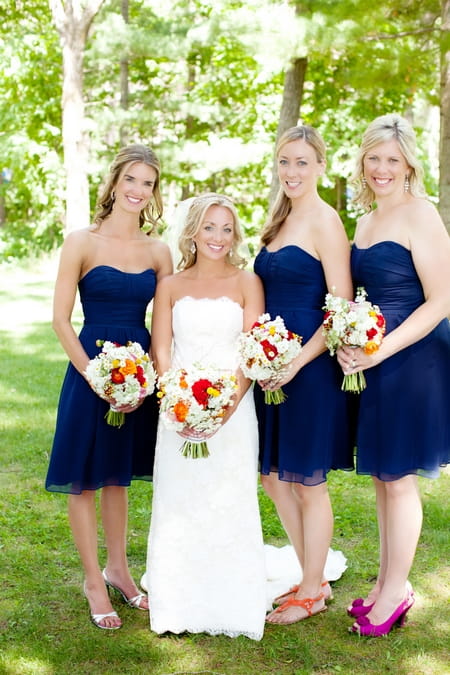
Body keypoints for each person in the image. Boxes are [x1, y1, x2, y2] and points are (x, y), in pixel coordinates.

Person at [45, 144, 173, 630]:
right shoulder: (81, 241)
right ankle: (93, 580)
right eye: (132, 180)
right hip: (89, 370)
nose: (139, 191)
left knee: (118, 474)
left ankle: (118, 568)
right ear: (115, 182)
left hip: (138, 376)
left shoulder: (158, 251)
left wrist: (150, 380)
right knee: (82, 476)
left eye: (148, 183)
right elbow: (60, 320)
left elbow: (166, 320)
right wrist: (95, 374)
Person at [337, 113, 450, 637]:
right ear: (363, 161)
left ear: (408, 165)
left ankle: (395, 595)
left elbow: (442, 300)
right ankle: (388, 586)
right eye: (374, 158)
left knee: (401, 480)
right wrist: (352, 340)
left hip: (413, 357)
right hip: (374, 357)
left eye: (392, 160)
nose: (381, 168)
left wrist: (380, 350)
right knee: (383, 476)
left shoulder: (420, 213)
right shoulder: (364, 220)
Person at [145, 192, 267, 640]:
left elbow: (251, 350)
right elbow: (162, 350)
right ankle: (179, 598)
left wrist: (224, 406)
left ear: (235, 236)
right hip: (177, 410)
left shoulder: (247, 282)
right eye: (209, 227)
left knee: (228, 496)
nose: (218, 237)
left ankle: (231, 599)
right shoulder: (171, 285)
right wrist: (177, 402)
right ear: (193, 231)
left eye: (226, 228)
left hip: (233, 410)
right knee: (180, 497)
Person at [253, 125, 355, 625]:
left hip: (309, 371)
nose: (291, 172)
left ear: (320, 166)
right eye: (284, 162)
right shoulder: (278, 220)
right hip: (270, 370)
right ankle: (308, 574)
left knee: (307, 482)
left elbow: (339, 307)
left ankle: (312, 590)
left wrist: (294, 361)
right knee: (273, 477)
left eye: (301, 162)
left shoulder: (325, 221)